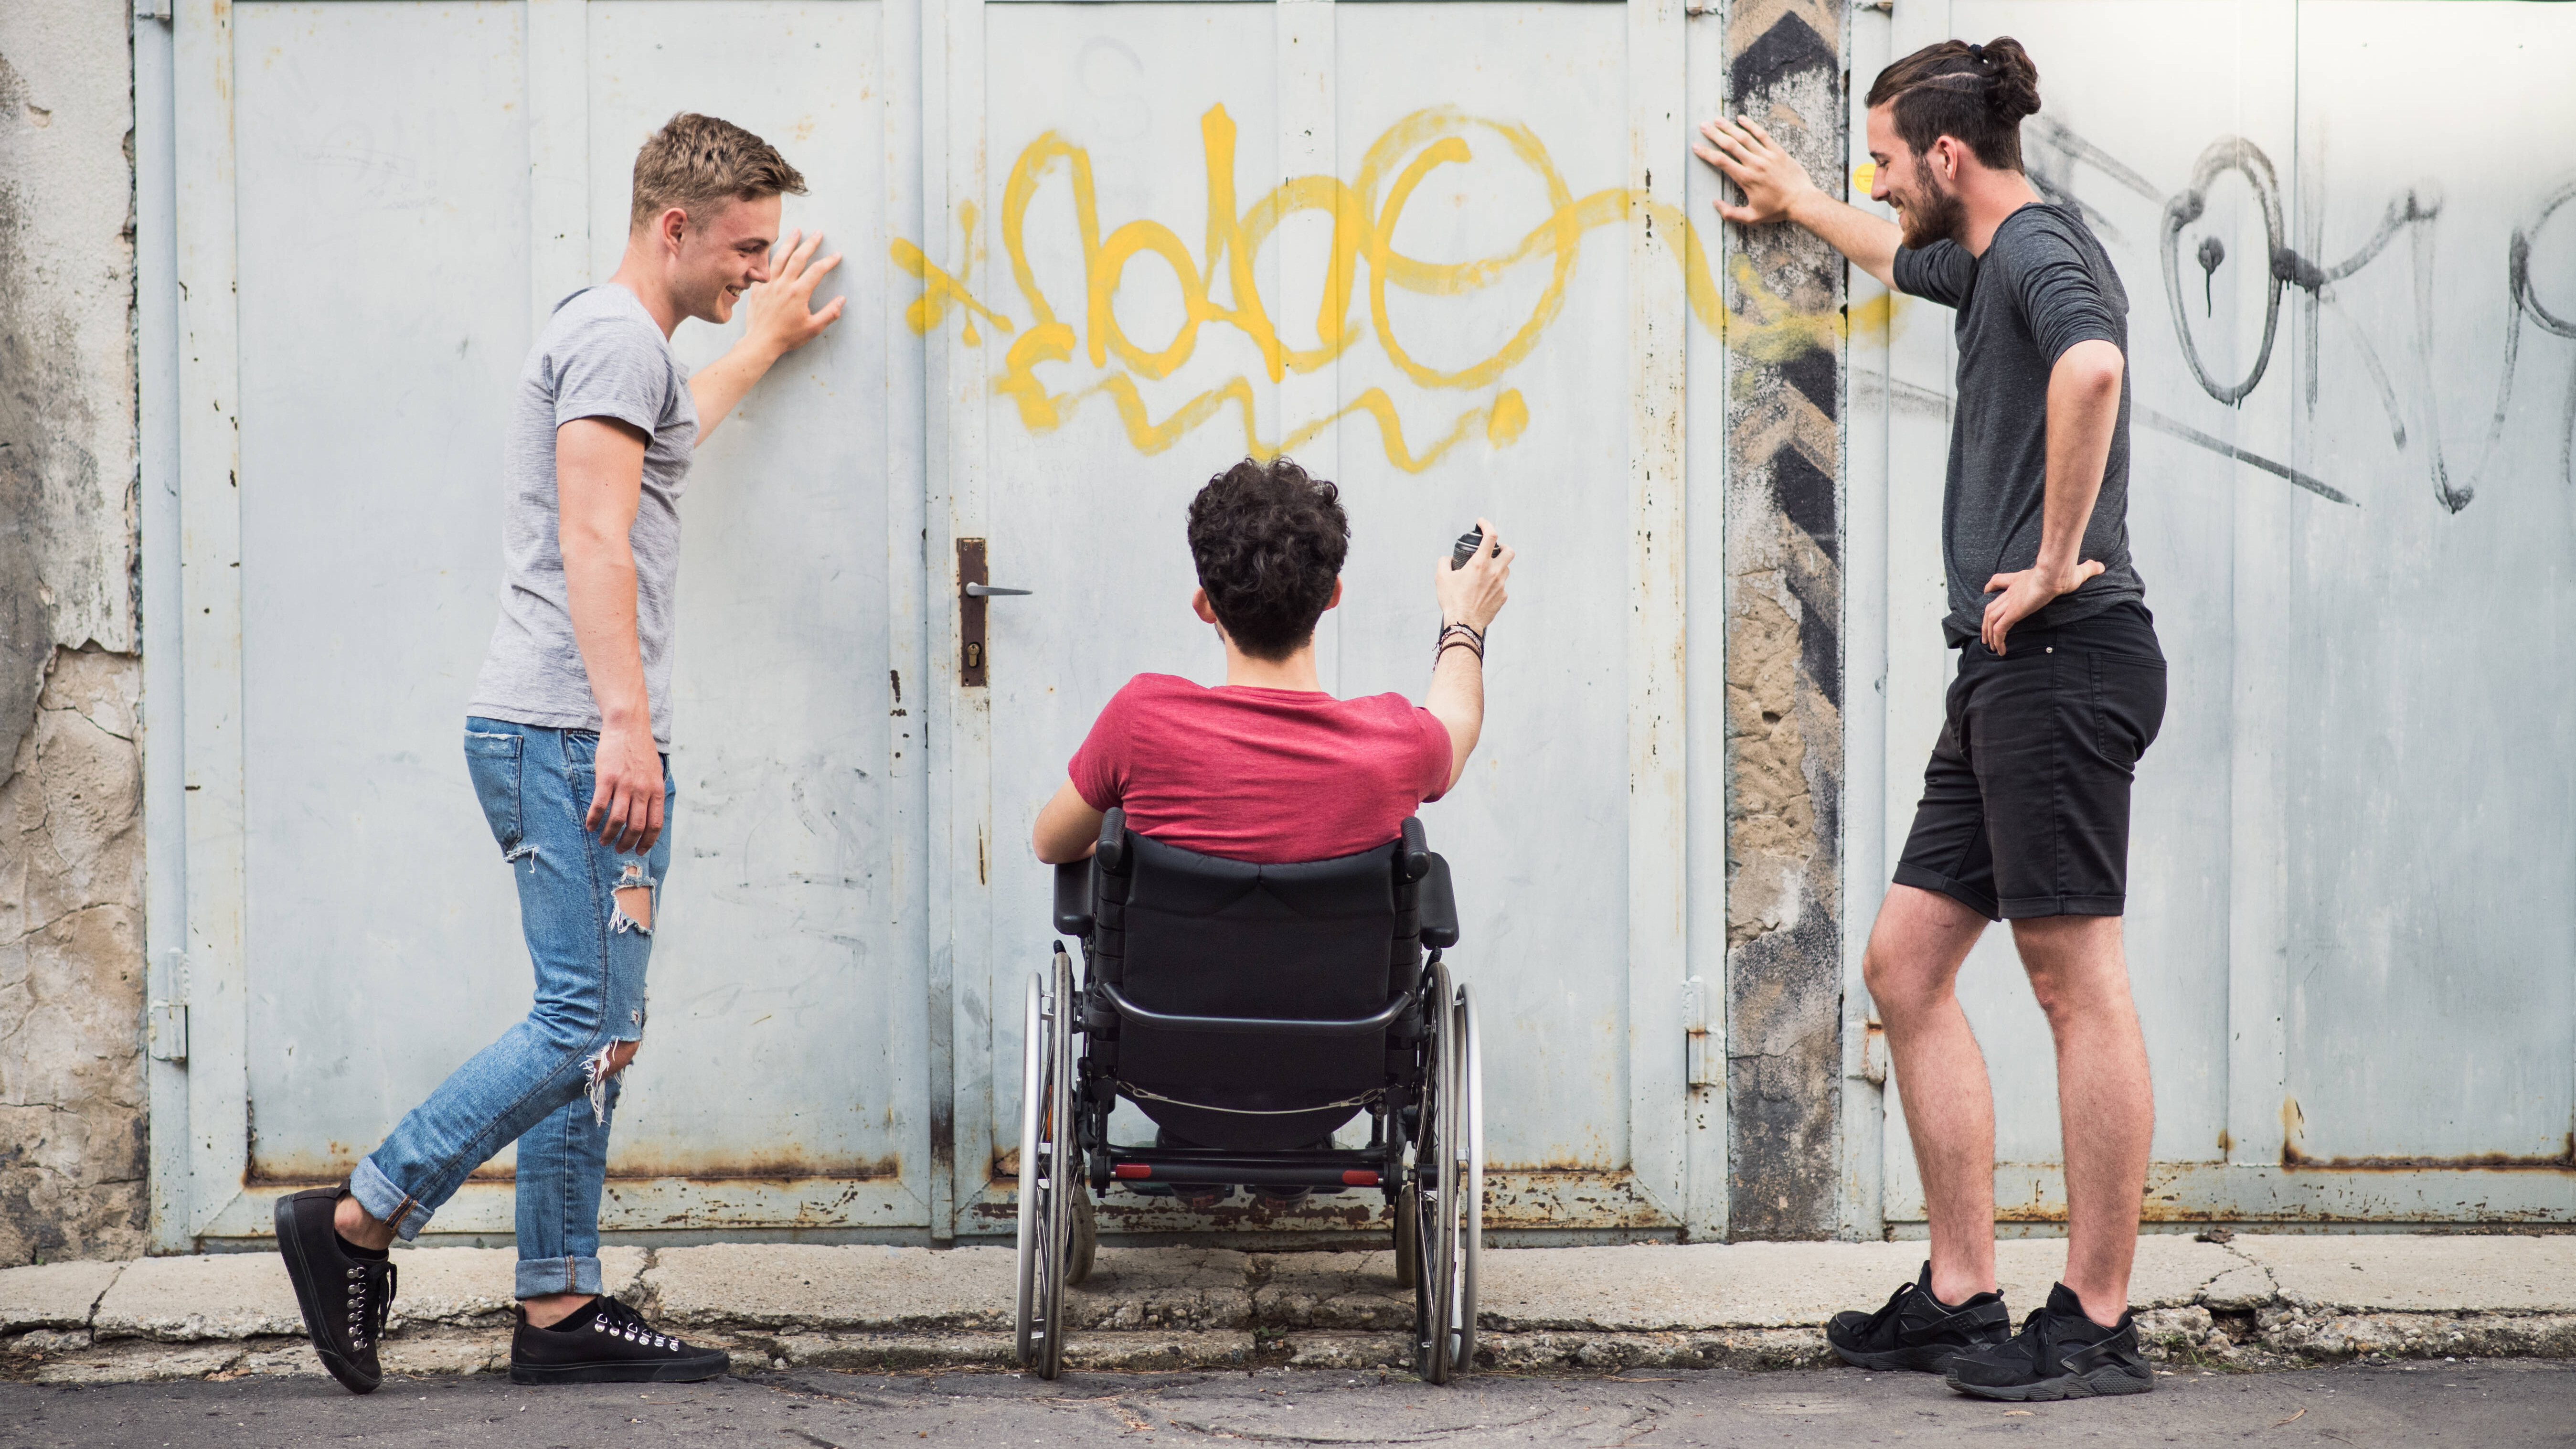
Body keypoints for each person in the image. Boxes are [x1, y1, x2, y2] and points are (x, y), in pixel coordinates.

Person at [271, 112, 846, 1394]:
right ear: (672, 226)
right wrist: (625, 727)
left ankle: (558, 1303)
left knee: (605, 1028)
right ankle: (357, 1216)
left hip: (576, 730)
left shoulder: (630, 352)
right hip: (569, 733)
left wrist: (755, 347)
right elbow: (593, 536)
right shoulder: (607, 338)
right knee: (582, 1019)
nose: (755, 267)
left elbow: (656, 447)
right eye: (743, 249)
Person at [1696, 38, 2164, 1402]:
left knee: (2075, 984)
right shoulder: (1994, 243)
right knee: (1907, 967)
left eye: (1888, 161)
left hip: (2064, 654)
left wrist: (2062, 551)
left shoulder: (2035, 260)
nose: (1881, 182)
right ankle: (1963, 1295)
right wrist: (1796, 201)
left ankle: (2096, 1318)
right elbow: (1899, 255)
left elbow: (2090, 372)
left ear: (1948, 159)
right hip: (2005, 672)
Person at [1029, 458, 1513, 1206]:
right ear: (1333, 597)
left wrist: (1136, 842)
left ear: (1203, 604)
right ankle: (1292, 1133)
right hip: (1337, 1073)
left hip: (1162, 1065)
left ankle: (1194, 1136)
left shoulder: (1140, 722)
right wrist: (1464, 622)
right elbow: (1458, 721)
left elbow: (1050, 843)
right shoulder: (1391, 744)